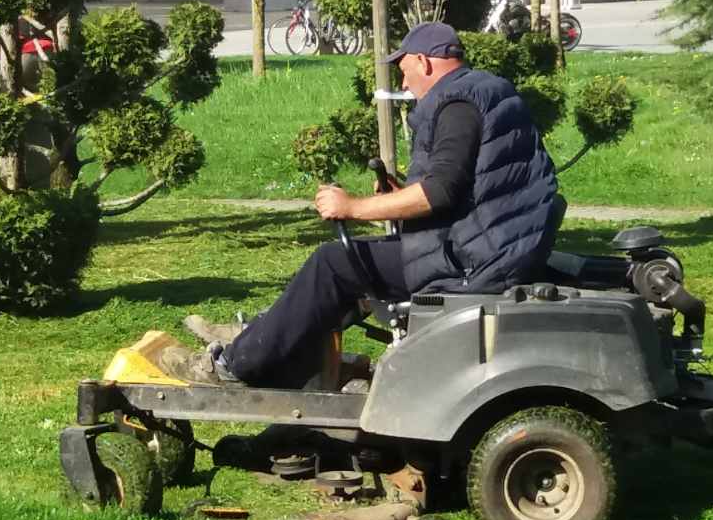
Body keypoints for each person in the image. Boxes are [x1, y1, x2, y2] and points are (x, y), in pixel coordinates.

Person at [174, 21, 560, 385]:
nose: (404, 81)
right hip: (491, 248)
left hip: (473, 263)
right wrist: (397, 199)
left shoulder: (456, 104)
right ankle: (263, 338)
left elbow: (440, 191)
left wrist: (352, 207)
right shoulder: (486, 91)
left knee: (334, 263)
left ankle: (233, 364)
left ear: (423, 62)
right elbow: (467, 189)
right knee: (351, 268)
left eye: (404, 70)